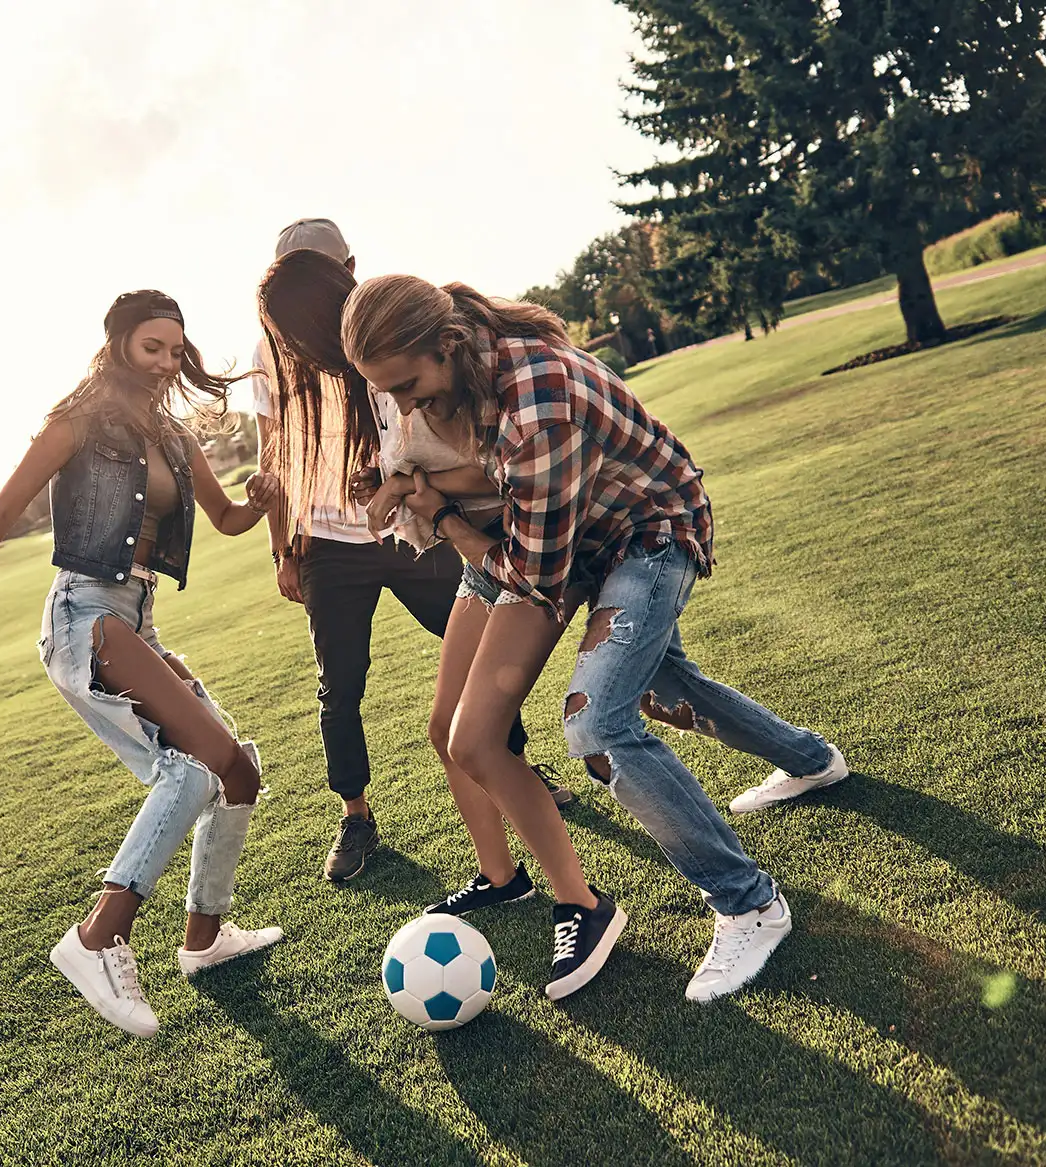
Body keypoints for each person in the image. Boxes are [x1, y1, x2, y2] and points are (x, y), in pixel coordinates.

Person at [339, 274, 848, 1003]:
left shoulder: (535, 401)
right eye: (387, 391)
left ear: (447, 344)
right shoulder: (472, 374)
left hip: (647, 536)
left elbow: (529, 574)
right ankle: (811, 759)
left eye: (408, 384)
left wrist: (443, 518)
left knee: (597, 722)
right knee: (665, 690)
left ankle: (749, 903)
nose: (403, 405)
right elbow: (503, 497)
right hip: (580, 541)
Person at [0, 291, 284, 1037]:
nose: (168, 362)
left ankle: (204, 941)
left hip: (136, 617)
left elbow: (228, 518)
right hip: (86, 617)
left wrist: (261, 498)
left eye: (177, 349)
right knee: (193, 767)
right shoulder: (75, 425)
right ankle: (97, 936)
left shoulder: (173, 436)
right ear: (117, 345)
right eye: (153, 347)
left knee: (237, 769)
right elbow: (2, 509)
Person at [261, 248, 619, 1000]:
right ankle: (501, 876)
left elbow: (496, 471)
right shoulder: (400, 376)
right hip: (475, 562)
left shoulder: (455, 375)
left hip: (521, 552)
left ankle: (584, 904)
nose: (404, 403)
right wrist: (394, 479)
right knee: (442, 728)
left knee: (476, 738)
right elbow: (430, 465)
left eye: (405, 388)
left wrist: (413, 487)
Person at [249, 219, 570, 885]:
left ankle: (509, 766)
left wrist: (403, 486)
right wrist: (283, 547)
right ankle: (357, 814)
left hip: (413, 530)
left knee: (482, 667)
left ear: (347, 270)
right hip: (330, 541)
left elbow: (454, 442)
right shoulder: (273, 354)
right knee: (341, 686)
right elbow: (274, 449)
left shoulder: (388, 332)